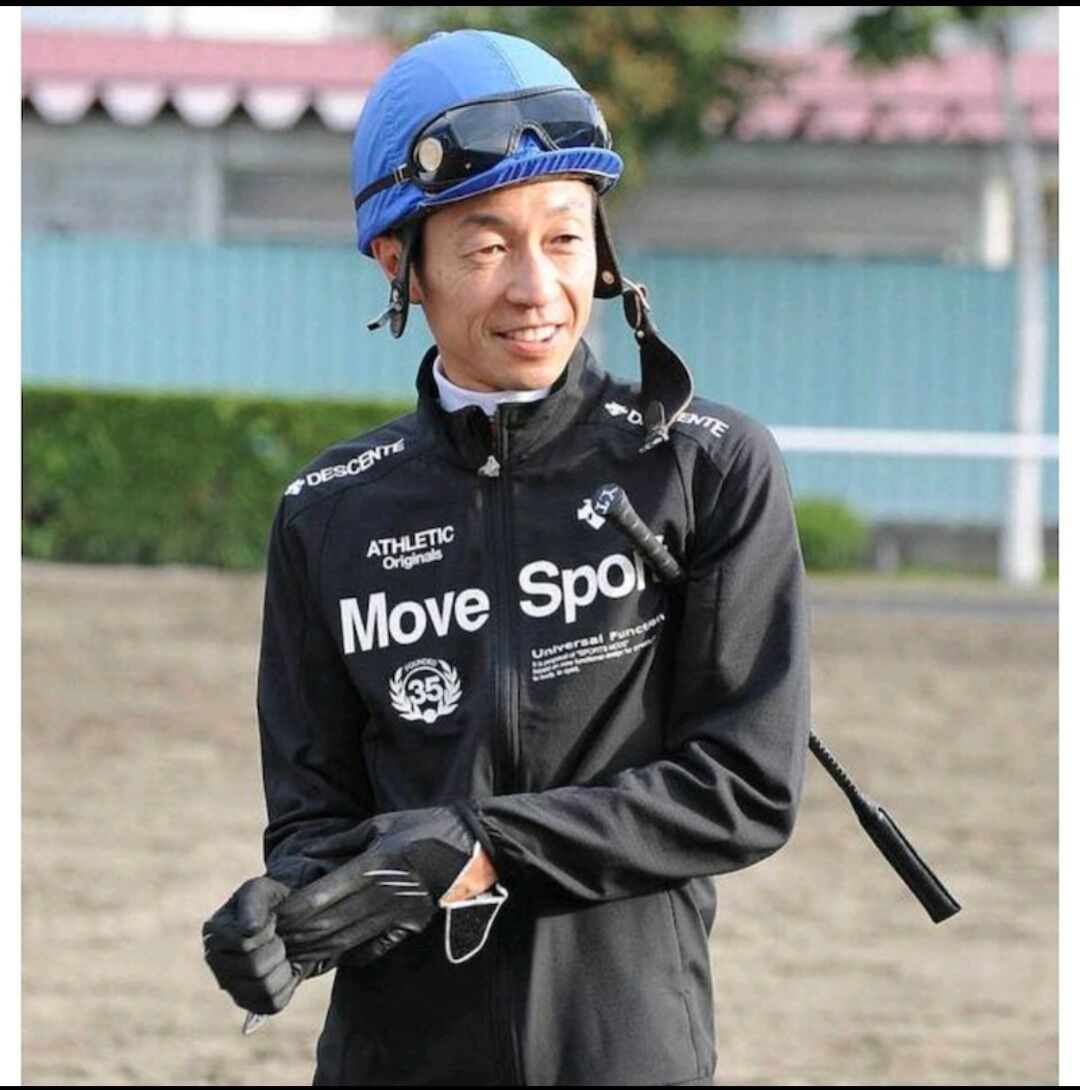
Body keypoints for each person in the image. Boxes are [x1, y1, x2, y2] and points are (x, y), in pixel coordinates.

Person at [202, 28, 811, 1087]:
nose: (536, 288)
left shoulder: (708, 466)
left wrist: (484, 844)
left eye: (564, 239)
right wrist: (283, 911)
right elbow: (315, 816)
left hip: (626, 1051)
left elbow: (744, 788)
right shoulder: (324, 513)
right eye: (487, 248)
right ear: (398, 262)